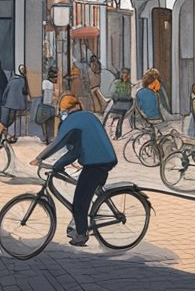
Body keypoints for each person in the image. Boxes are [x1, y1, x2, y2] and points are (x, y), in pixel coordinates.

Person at [32, 94, 117, 247]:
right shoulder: (87, 116)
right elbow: (76, 151)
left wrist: (40, 158)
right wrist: (57, 166)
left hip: (96, 164)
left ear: (65, 110)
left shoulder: (72, 121)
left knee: (80, 201)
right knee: (83, 194)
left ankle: (82, 234)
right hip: (103, 161)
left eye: (62, 111)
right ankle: (77, 225)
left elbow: (58, 143)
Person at [0, 64, 29, 141]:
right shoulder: (23, 80)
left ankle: (3, 136)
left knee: (5, 120)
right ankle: (8, 136)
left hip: (8, 103)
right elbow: (25, 92)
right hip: (16, 103)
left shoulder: (11, 80)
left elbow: (6, 91)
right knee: (12, 119)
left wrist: (3, 100)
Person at [107, 69, 133, 138]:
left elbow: (128, 95)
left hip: (124, 105)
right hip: (118, 103)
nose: (123, 75)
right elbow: (113, 92)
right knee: (111, 118)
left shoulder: (129, 84)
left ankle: (117, 133)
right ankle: (110, 133)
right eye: (122, 73)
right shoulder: (117, 82)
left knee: (120, 118)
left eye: (125, 73)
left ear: (128, 75)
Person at [39, 67, 58, 143]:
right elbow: (48, 98)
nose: (56, 79)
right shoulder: (49, 84)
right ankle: (50, 138)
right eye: (56, 77)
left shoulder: (44, 82)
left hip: (44, 105)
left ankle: (46, 138)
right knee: (50, 122)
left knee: (45, 123)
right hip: (48, 106)